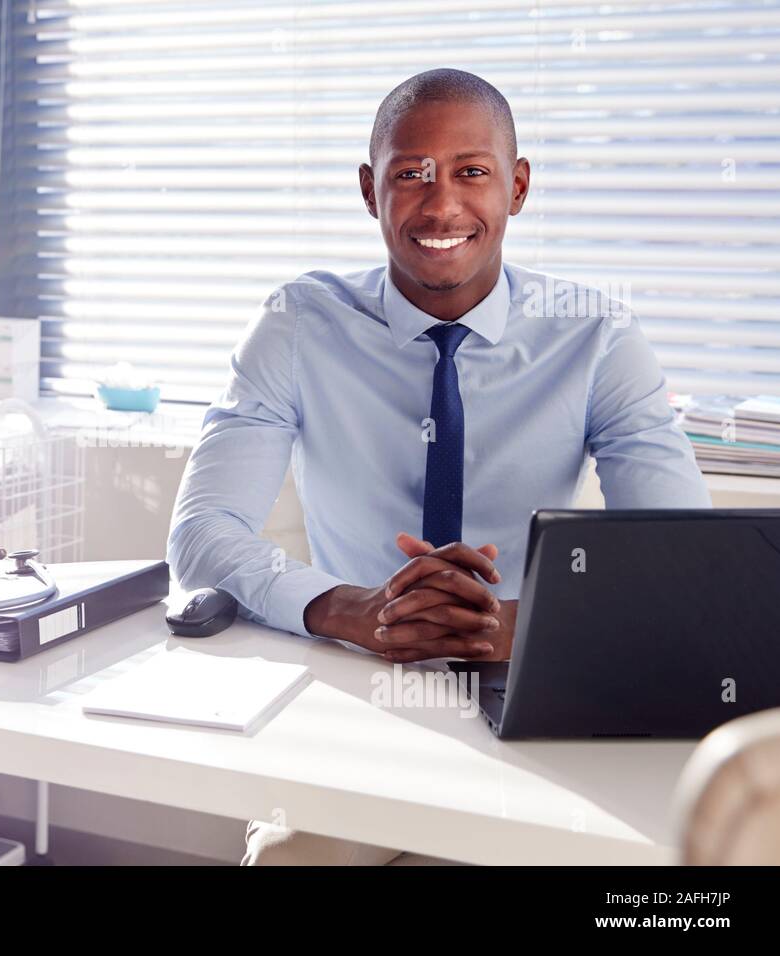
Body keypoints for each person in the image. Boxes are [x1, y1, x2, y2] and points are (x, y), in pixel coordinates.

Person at [165, 68, 711, 866]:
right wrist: (348, 609)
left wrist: (518, 626)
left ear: (517, 187)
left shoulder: (596, 338)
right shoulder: (296, 323)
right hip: (355, 682)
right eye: (410, 174)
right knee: (290, 858)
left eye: (472, 172)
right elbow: (201, 533)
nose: (442, 204)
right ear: (369, 190)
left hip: (536, 678)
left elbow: (684, 563)